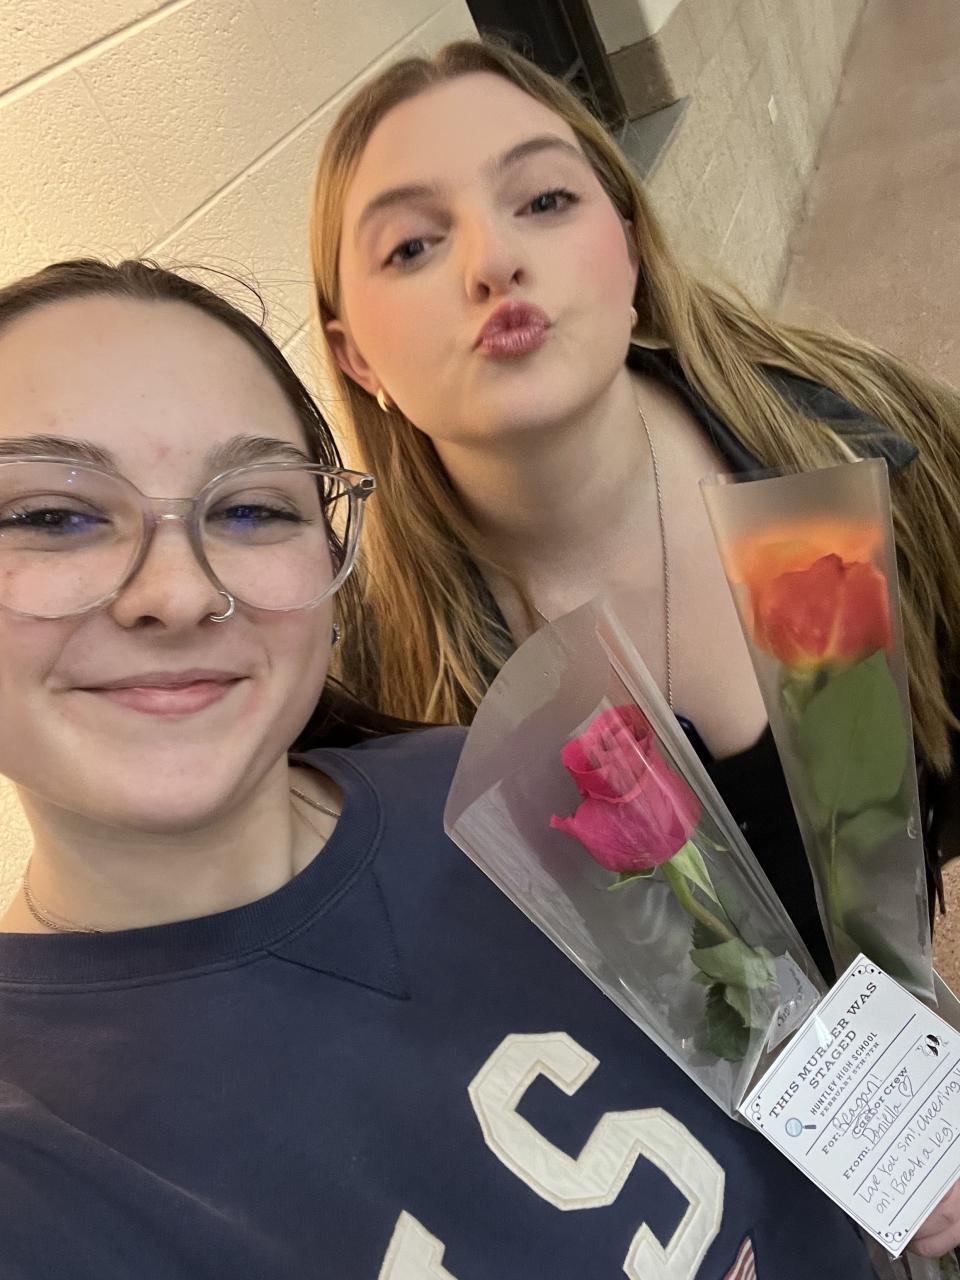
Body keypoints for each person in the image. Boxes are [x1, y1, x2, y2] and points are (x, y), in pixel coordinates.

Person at [0, 257, 940, 1276]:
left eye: (252, 508)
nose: (179, 592)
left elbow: (777, 1041)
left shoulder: (514, 784)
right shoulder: (39, 1178)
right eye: (54, 517)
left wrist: (911, 1128)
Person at [310, 37, 960, 981]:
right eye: (412, 245)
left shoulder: (855, 431)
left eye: (544, 201)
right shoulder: (377, 692)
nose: (494, 262)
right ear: (355, 356)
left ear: (628, 244)